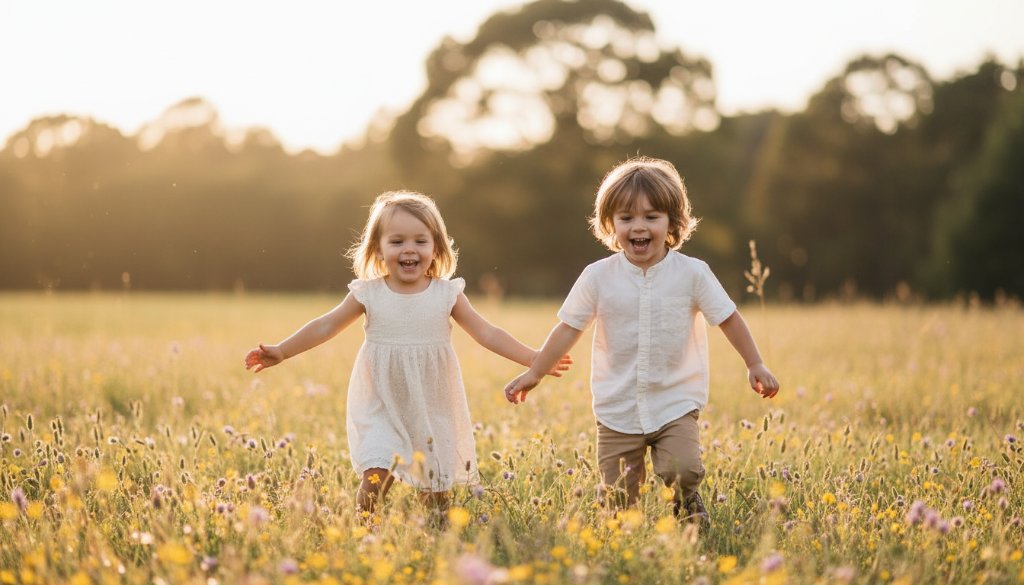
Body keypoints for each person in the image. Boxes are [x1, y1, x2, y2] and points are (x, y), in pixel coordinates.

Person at [245, 191, 570, 522]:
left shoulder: (447, 294)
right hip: (381, 401)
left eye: (420, 240)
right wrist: (283, 350)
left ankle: (437, 535)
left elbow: (487, 333)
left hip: (431, 403)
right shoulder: (368, 294)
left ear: (436, 248)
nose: (409, 249)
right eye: (397, 241)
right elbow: (325, 326)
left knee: (435, 488)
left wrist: (535, 358)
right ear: (378, 249)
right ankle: (364, 529)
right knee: (375, 475)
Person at [502, 157, 779, 529]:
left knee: (682, 468)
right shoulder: (597, 277)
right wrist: (535, 371)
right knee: (617, 494)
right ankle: (624, 537)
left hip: (674, 400)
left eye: (652, 217)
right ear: (610, 226)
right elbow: (568, 328)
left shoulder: (693, 274)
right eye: (626, 218)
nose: (639, 227)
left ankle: (687, 505)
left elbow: (728, 318)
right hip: (617, 405)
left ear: (673, 224)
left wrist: (754, 363)